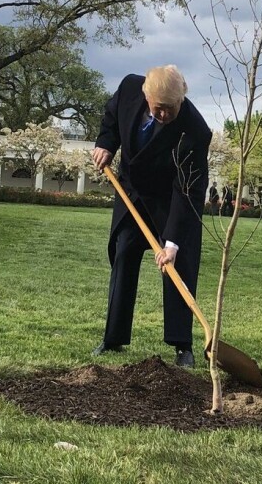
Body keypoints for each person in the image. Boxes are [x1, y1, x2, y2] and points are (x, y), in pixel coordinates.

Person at [90, 65, 211, 368]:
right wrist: (106, 143)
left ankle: (182, 345)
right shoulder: (130, 87)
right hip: (131, 192)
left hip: (172, 199)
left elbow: (189, 188)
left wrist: (172, 241)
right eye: (159, 109)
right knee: (123, 254)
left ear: (181, 99)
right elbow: (111, 118)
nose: (165, 115)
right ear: (147, 96)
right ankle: (113, 338)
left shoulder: (195, 129)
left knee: (177, 265)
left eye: (171, 109)